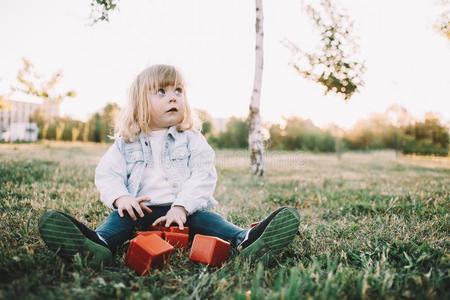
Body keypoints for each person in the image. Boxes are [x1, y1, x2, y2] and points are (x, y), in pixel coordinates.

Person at [38, 64, 300, 267]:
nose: (173, 97)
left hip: (184, 211)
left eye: (178, 91)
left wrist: (182, 207)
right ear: (141, 102)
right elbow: (108, 174)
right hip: (139, 210)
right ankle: (98, 245)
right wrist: (121, 198)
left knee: (211, 221)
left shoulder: (192, 140)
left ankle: (246, 241)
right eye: (162, 92)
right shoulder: (126, 143)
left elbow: (203, 175)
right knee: (117, 221)